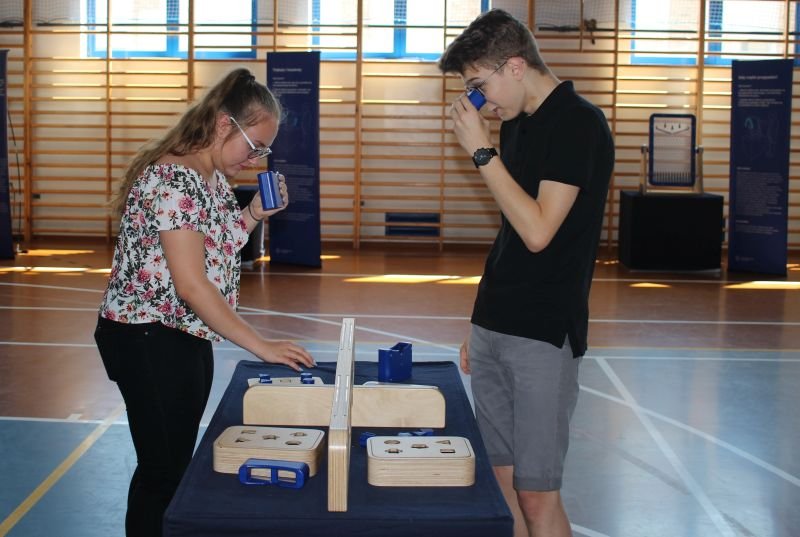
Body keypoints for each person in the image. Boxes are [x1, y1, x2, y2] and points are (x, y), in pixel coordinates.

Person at [93, 68, 315, 537]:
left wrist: (253, 213)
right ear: (222, 125)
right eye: (253, 147)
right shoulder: (177, 179)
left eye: (263, 152)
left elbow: (217, 246)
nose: (255, 160)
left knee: (173, 460)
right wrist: (261, 345)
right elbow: (192, 285)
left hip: (183, 331)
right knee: (162, 471)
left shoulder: (207, 175)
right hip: (147, 336)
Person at [438, 9, 614, 537]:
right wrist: (480, 319)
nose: (477, 101)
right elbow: (511, 234)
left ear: (514, 66)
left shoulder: (579, 124)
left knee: (537, 495)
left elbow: (539, 231)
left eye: (478, 86)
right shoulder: (516, 123)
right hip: (496, 322)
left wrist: (481, 151)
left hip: (543, 331)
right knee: (502, 483)